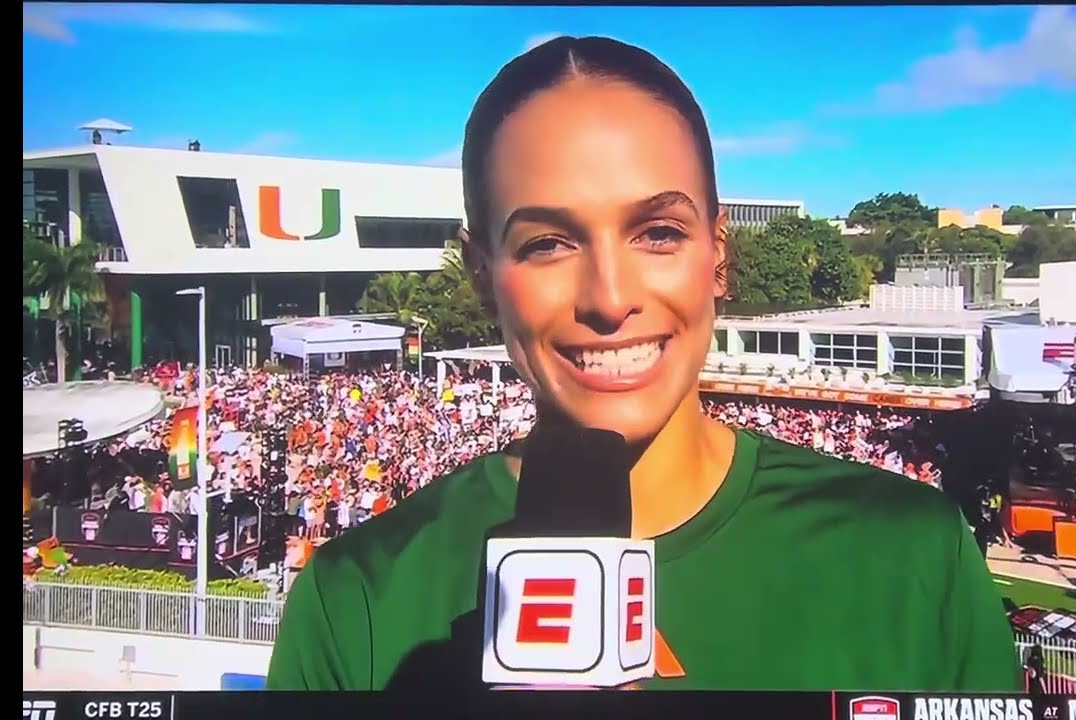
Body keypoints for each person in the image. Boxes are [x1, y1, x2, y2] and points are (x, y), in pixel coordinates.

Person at [267, 35, 1021, 693]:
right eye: (546, 243)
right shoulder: (356, 600)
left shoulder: (913, 554)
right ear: (479, 272)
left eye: (658, 233)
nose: (610, 297)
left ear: (718, 255)